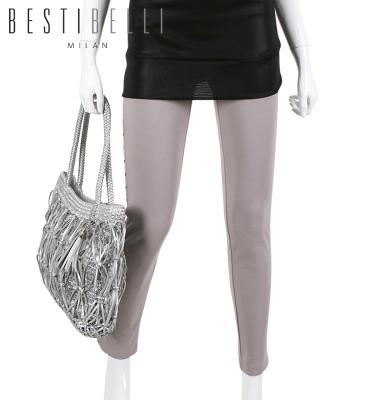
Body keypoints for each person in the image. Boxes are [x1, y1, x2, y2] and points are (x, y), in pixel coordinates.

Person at [79, 0, 318, 399]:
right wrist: (87, 57)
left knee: (250, 226)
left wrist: (304, 57)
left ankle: (253, 381)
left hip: (246, 36)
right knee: (147, 224)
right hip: (158, 33)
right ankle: (116, 363)